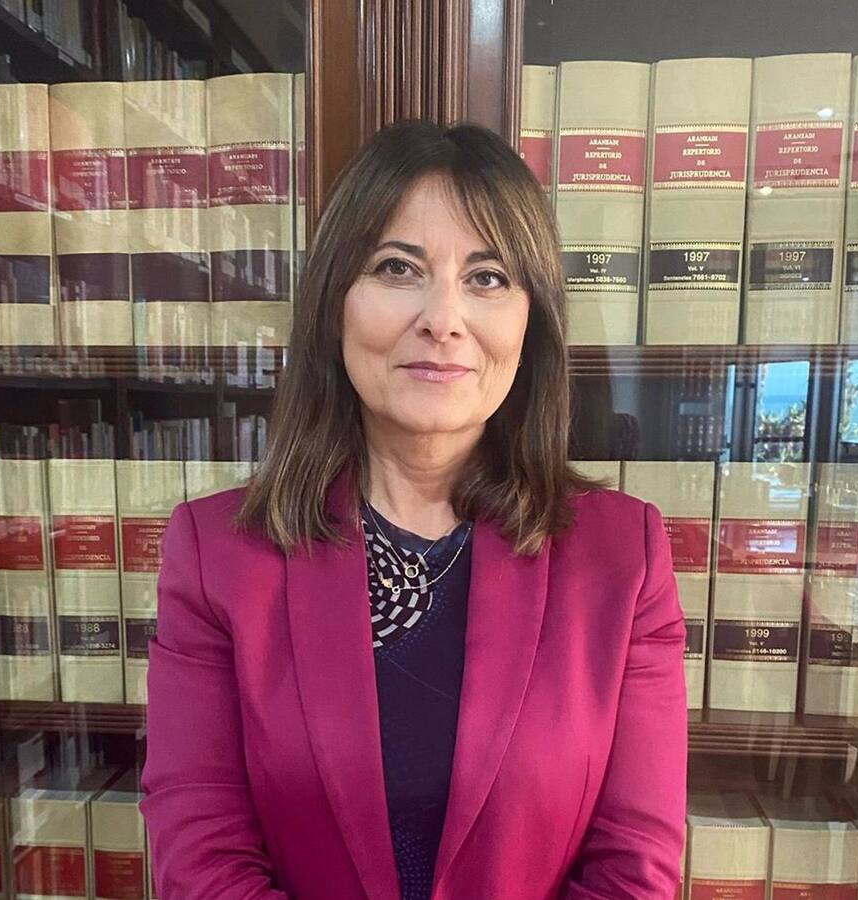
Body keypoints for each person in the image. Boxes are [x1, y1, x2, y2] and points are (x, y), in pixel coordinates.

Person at [140, 118, 687, 899]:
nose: (443, 318)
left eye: (488, 278)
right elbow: (202, 861)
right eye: (398, 268)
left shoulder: (624, 557)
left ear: (531, 321)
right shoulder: (217, 555)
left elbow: (633, 868)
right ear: (336, 302)